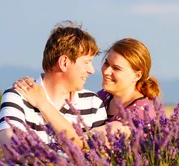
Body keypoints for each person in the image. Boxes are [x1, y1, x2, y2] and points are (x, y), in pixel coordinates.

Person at [13, 38, 160, 149]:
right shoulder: (101, 98)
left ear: (137, 75)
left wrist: (42, 102)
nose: (106, 71)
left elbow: (85, 141)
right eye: (106, 63)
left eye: (116, 68)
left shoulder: (142, 113)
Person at [0, 21, 107, 151]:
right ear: (64, 62)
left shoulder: (93, 102)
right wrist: (66, 157)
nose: (91, 70)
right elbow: (13, 149)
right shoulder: (18, 95)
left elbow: (97, 154)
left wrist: (43, 104)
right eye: (87, 62)